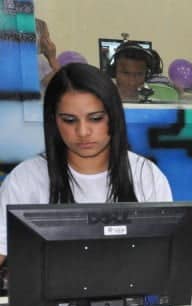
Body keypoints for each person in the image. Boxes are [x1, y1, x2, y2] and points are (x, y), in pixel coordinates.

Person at [0, 63, 172, 266]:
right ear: (54, 121)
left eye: (96, 118)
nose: (83, 132)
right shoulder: (26, 177)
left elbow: (163, 261)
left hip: (128, 295)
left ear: (114, 117)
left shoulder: (146, 175)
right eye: (69, 120)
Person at [36, 18, 60, 89]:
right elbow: (59, 83)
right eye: (46, 37)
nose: (50, 41)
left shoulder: (42, 60)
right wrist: (52, 59)